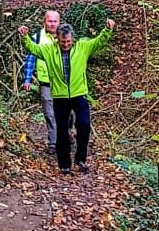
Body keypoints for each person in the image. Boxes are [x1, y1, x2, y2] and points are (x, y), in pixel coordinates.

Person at [19, 17, 115, 176]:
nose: (65, 44)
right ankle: (64, 164)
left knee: (84, 125)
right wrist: (24, 36)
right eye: (63, 42)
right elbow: (32, 48)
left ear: (73, 38)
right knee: (62, 130)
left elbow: (99, 42)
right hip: (60, 96)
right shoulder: (49, 50)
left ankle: (81, 159)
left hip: (79, 94)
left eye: (68, 41)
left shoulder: (82, 47)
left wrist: (108, 29)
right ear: (57, 38)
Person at [21, 8, 61, 154]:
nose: (52, 24)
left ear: (59, 22)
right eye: (50, 21)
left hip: (63, 83)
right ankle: (53, 143)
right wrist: (27, 79)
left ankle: (67, 134)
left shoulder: (65, 36)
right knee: (49, 113)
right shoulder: (37, 37)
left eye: (55, 21)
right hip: (45, 83)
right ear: (44, 22)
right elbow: (30, 58)